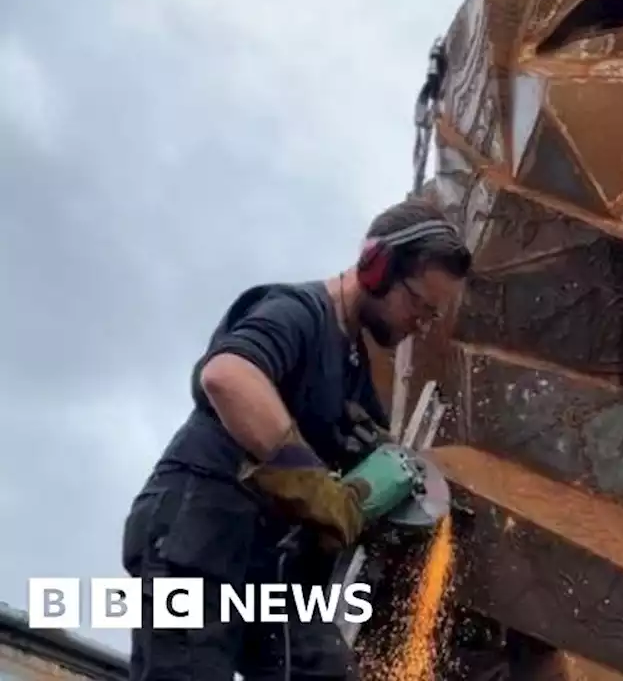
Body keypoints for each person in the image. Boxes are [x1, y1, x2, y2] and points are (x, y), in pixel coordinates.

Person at [121, 199, 471, 680]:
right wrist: (318, 490)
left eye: (433, 314)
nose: (421, 323)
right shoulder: (298, 312)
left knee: (321, 670)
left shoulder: (354, 376)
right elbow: (228, 376)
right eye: (418, 303)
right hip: (199, 532)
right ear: (376, 268)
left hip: (269, 566)